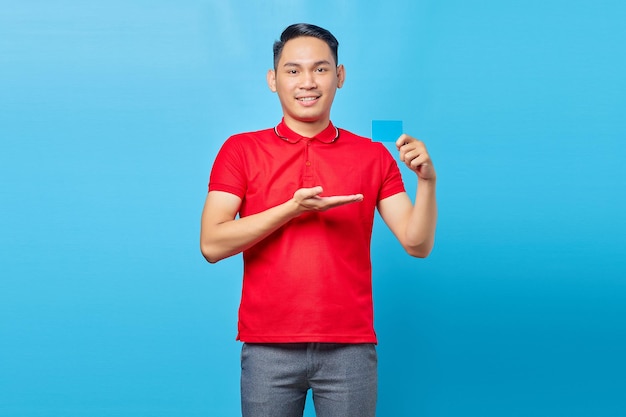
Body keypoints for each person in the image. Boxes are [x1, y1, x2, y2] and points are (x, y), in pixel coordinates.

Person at [200, 23, 437, 417]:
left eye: (321, 69)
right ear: (273, 80)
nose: (307, 82)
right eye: (293, 70)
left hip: (351, 348)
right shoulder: (240, 149)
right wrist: (291, 209)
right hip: (267, 347)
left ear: (339, 76)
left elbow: (417, 243)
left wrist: (427, 182)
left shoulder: (373, 155)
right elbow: (212, 244)